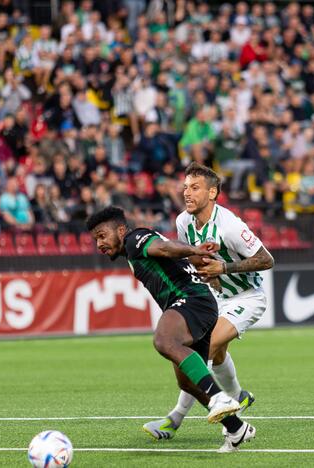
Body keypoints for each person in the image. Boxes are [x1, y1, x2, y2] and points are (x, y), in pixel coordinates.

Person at [87, 206, 256, 453]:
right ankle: (236, 429)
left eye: (102, 235)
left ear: (121, 230)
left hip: (191, 300)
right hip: (200, 303)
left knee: (164, 340)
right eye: (95, 240)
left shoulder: (135, 239)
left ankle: (220, 397)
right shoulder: (133, 251)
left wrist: (195, 249)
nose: (99, 244)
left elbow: (164, 247)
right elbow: (170, 254)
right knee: (188, 382)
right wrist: (194, 256)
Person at [143, 163, 274, 441]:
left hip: (246, 297)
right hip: (214, 296)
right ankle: (238, 395)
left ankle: (174, 419)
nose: (186, 193)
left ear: (212, 193)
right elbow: (189, 257)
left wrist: (223, 269)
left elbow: (266, 260)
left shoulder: (230, 226)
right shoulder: (183, 222)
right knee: (217, 352)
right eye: (185, 187)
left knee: (205, 347)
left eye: (195, 187)